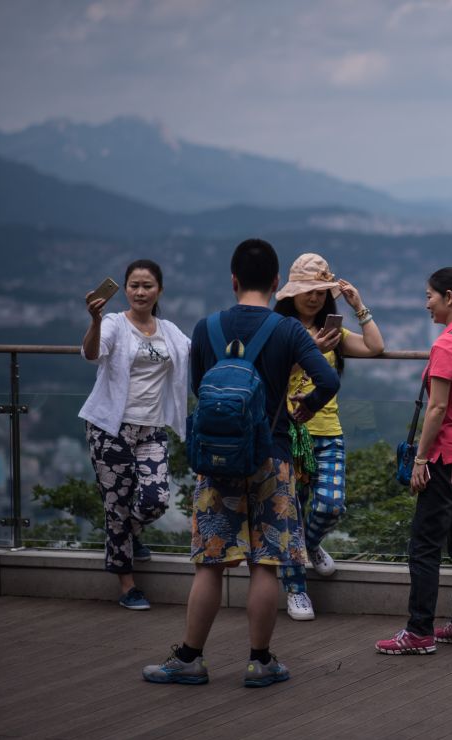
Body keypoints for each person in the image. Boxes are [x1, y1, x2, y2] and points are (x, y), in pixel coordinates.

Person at [142, 238, 339, 687]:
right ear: (275, 283)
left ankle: (190, 658)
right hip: (272, 456)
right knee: (265, 563)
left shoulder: (206, 327)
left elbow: (198, 388)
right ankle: (260, 661)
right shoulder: (288, 331)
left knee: (210, 564)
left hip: (217, 462)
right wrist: (304, 406)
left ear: (232, 280)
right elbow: (327, 378)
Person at [375, 267, 452, 655]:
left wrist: (422, 459)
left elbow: (437, 407)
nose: (426, 304)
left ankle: (419, 631)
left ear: (448, 297)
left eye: (429, 296)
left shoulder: (446, 345)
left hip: (448, 455)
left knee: (424, 544)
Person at [273, 253, 384, 621]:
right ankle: (296, 591)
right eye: (308, 290)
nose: (315, 297)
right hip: (288, 434)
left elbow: (374, 347)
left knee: (331, 504)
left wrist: (359, 306)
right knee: (287, 514)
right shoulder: (280, 330)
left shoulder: (333, 333)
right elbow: (270, 375)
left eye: (321, 290)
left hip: (328, 432)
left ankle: (311, 545)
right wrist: (311, 352)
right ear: (291, 293)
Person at [79, 259, 191, 611]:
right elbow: (91, 354)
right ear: (124, 289)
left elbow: (197, 353)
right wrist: (95, 321)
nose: (140, 292)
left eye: (147, 286)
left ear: (159, 290)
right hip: (110, 428)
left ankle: (131, 533)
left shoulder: (169, 331)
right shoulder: (113, 324)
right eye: (134, 286)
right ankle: (128, 587)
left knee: (155, 499)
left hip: (152, 428)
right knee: (117, 504)